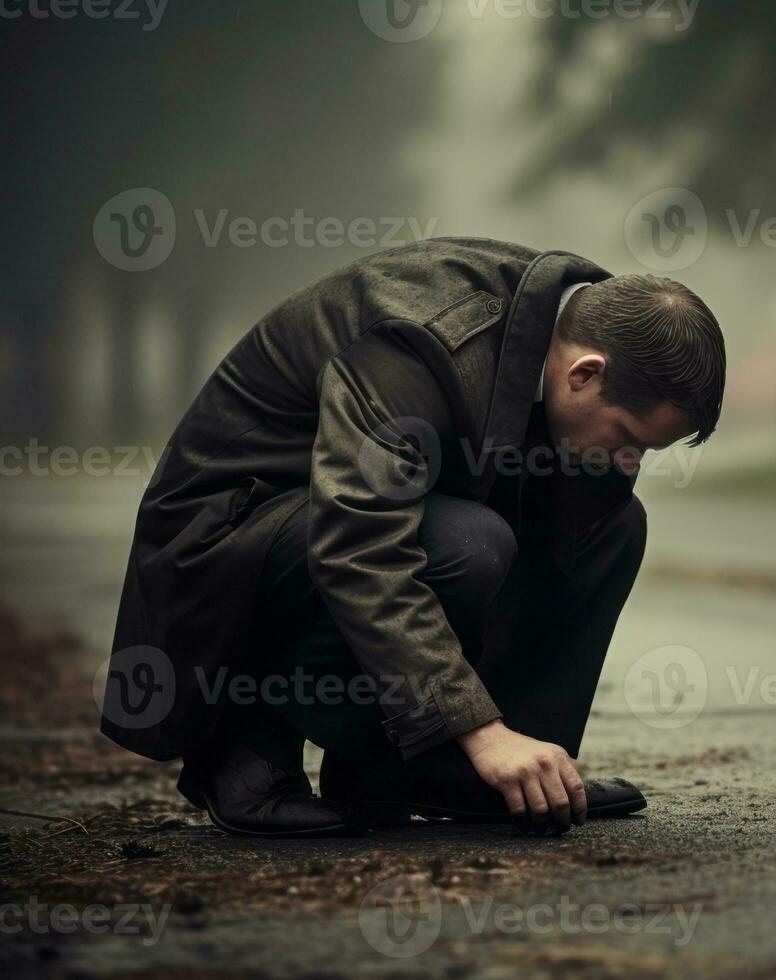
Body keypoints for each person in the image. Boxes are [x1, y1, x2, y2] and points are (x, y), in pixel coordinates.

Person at [100, 238, 726, 838]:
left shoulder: (553, 332)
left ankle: (476, 775)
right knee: (465, 545)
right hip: (223, 544)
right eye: (628, 438)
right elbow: (360, 543)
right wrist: (479, 729)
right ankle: (245, 745)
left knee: (611, 523)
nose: (631, 462)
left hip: (332, 522)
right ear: (585, 373)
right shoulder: (425, 343)